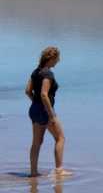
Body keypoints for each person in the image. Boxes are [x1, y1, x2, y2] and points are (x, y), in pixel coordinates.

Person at [24, 46, 68, 178]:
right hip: (45, 110)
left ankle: (33, 172)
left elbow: (27, 91)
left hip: (34, 109)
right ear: (51, 58)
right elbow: (44, 94)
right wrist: (51, 114)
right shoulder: (48, 74)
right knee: (60, 138)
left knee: (36, 142)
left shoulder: (35, 72)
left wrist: (35, 103)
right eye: (57, 58)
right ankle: (59, 170)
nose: (58, 61)